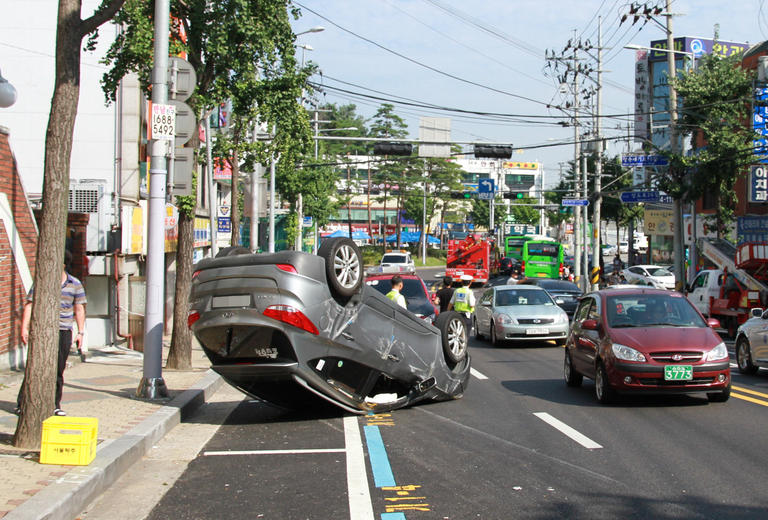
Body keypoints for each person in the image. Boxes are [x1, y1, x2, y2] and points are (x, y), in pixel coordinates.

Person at [16, 250, 86, 417]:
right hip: (42, 330)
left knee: (58, 370)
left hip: (63, 331)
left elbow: (79, 308)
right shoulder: (43, 282)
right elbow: (30, 304)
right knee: (34, 367)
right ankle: (22, 403)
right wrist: (24, 328)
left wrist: (81, 332)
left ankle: (55, 404)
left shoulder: (74, 283)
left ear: (63, 264)